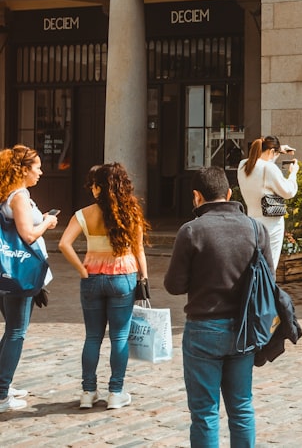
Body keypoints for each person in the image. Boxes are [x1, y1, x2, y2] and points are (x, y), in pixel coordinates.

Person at [165, 166, 272, 447]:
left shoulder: (191, 231)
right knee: (241, 408)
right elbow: (269, 280)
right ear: (228, 193)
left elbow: (174, 285)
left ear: (196, 196)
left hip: (203, 330)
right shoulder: (255, 228)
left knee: (204, 413)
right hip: (244, 330)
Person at [58, 163, 149, 410]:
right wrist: (144, 278)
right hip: (123, 276)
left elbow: (64, 243)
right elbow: (139, 250)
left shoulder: (84, 213)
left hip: (92, 277)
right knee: (119, 337)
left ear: (99, 187)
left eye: (94, 185)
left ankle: (88, 392)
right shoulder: (131, 213)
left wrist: (81, 269)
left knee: (93, 336)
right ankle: (116, 392)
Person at [0, 145, 58, 412]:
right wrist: (46, 222)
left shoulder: (9, 194)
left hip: (9, 271)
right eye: (37, 167)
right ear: (23, 170)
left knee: (11, 330)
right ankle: (1, 394)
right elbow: (29, 235)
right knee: (16, 332)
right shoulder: (19, 196)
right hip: (20, 273)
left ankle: (2, 384)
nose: (41, 172)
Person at [237, 136, 298, 271]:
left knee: (254, 266)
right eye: (275, 154)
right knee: (269, 268)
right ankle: (267, 292)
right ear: (271, 151)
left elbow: (263, 160)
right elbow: (289, 192)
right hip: (271, 224)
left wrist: (279, 150)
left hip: (252, 221)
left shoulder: (243, 166)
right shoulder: (269, 168)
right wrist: (293, 174)